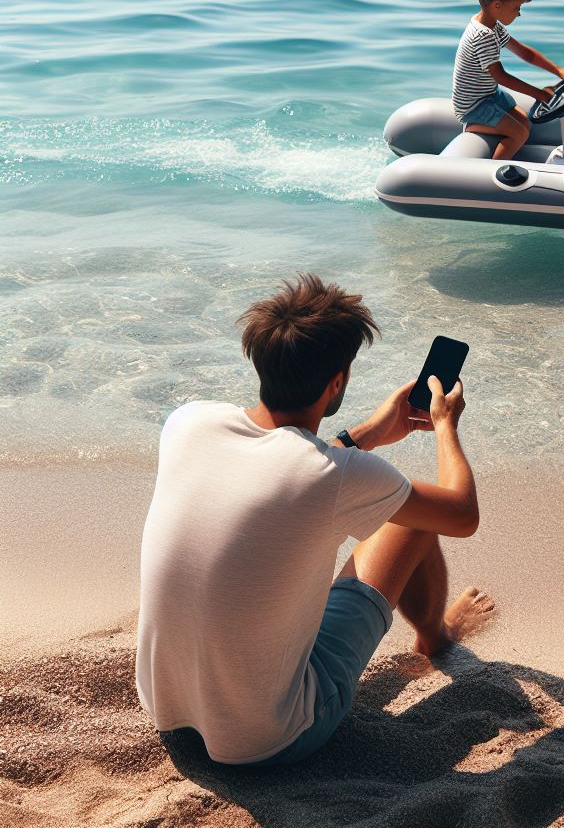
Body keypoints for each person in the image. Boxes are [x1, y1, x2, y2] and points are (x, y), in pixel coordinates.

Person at [135, 273, 494, 767]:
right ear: (337, 381)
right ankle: (435, 636)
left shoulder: (187, 423)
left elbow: (285, 469)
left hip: (168, 713)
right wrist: (444, 427)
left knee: (375, 504)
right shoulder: (334, 476)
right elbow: (461, 513)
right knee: (410, 514)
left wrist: (369, 432)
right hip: (270, 741)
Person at [452, 0, 564, 161]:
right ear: (497, 5)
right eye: (516, 7)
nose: (519, 13)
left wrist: (558, 71)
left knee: (525, 124)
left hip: (489, 94)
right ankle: (490, 172)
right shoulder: (482, 34)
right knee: (519, 133)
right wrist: (538, 93)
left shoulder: (492, 24)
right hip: (474, 105)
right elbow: (500, 76)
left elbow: (524, 52)